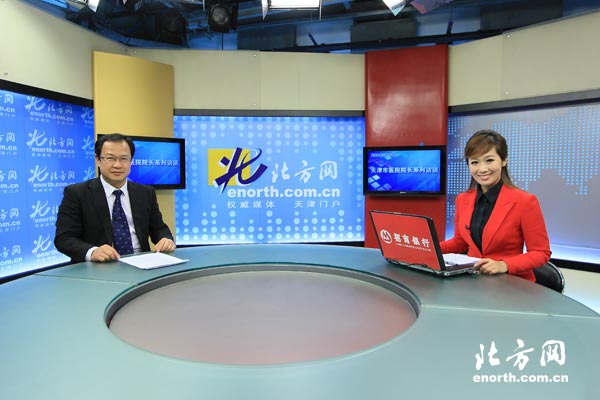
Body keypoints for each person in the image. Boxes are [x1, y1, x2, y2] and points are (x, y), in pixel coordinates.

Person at [439, 129, 551, 282]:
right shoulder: (462, 199)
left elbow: (541, 252)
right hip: (473, 281)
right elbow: (460, 242)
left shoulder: (524, 201)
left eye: (489, 160)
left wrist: (504, 265)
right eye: (475, 162)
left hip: (511, 283)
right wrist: (430, 249)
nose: (482, 169)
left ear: (504, 160)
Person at [54, 133, 176, 263]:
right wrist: (93, 251)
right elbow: (64, 238)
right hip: (99, 267)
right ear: (98, 160)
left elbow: (159, 228)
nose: (117, 165)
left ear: (131, 161)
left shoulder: (145, 193)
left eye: (124, 159)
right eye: (110, 158)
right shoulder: (77, 193)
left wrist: (166, 239)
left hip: (141, 264)